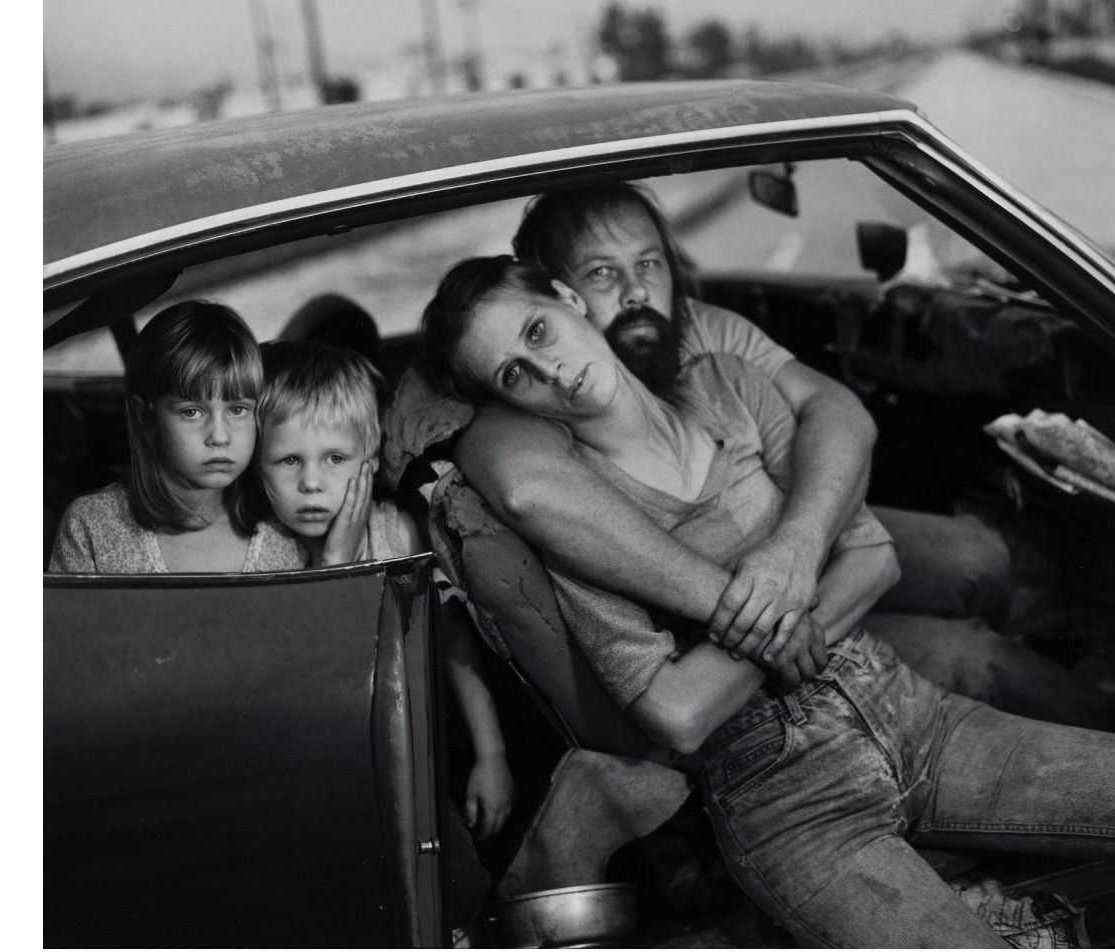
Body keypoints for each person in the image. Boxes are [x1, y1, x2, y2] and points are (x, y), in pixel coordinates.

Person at [421, 256, 1115, 947]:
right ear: (509, 404)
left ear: (571, 298)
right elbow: (677, 714)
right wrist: (787, 624)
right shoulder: (579, 522)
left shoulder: (728, 385)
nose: (547, 370)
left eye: (538, 331)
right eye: (514, 375)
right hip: (782, 794)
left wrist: (787, 568)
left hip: (910, 707)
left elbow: (875, 557)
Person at [390, 185, 1019, 677]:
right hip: (725, 626)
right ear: (563, 292)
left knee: (979, 558)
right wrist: (766, 617)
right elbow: (522, 482)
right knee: (967, 655)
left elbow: (837, 410)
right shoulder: (533, 387)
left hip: (801, 536)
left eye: (649, 263)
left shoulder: (703, 331)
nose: (638, 291)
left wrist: (799, 545)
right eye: (603, 273)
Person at [252, 340, 512, 838]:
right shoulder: (259, 554)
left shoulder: (399, 536)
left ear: (369, 463)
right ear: (257, 467)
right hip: (317, 772)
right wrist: (335, 565)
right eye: (288, 460)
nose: (311, 482)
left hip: (416, 749)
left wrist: (492, 754)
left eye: (334, 458)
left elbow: (454, 643)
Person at [49, 301, 306, 573]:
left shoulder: (285, 524)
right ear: (146, 418)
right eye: (192, 412)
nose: (219, 436)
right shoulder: (92, 527)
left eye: (238, 409)